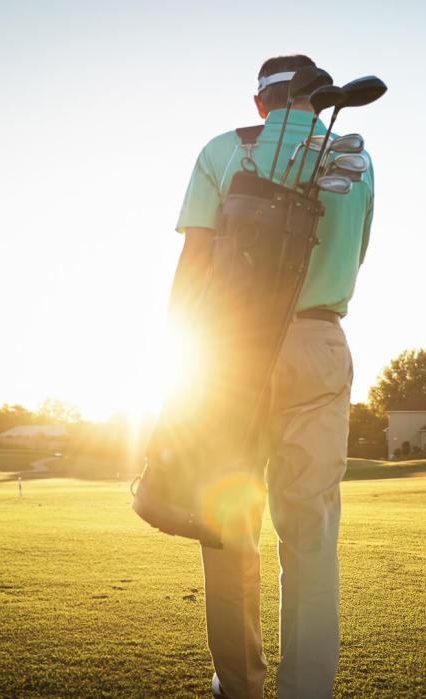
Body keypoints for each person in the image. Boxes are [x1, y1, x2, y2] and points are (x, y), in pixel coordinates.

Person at [169, 54, 375, 699]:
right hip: (317, 340)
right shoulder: (356, 159)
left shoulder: (220, 150)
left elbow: (194, 264)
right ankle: (306, 693)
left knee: (227, 524)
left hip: (231, 348)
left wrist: (176, 361)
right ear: (317, 99)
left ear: (261, 103)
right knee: (309, 531)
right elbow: (357, 254)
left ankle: (239, 687)